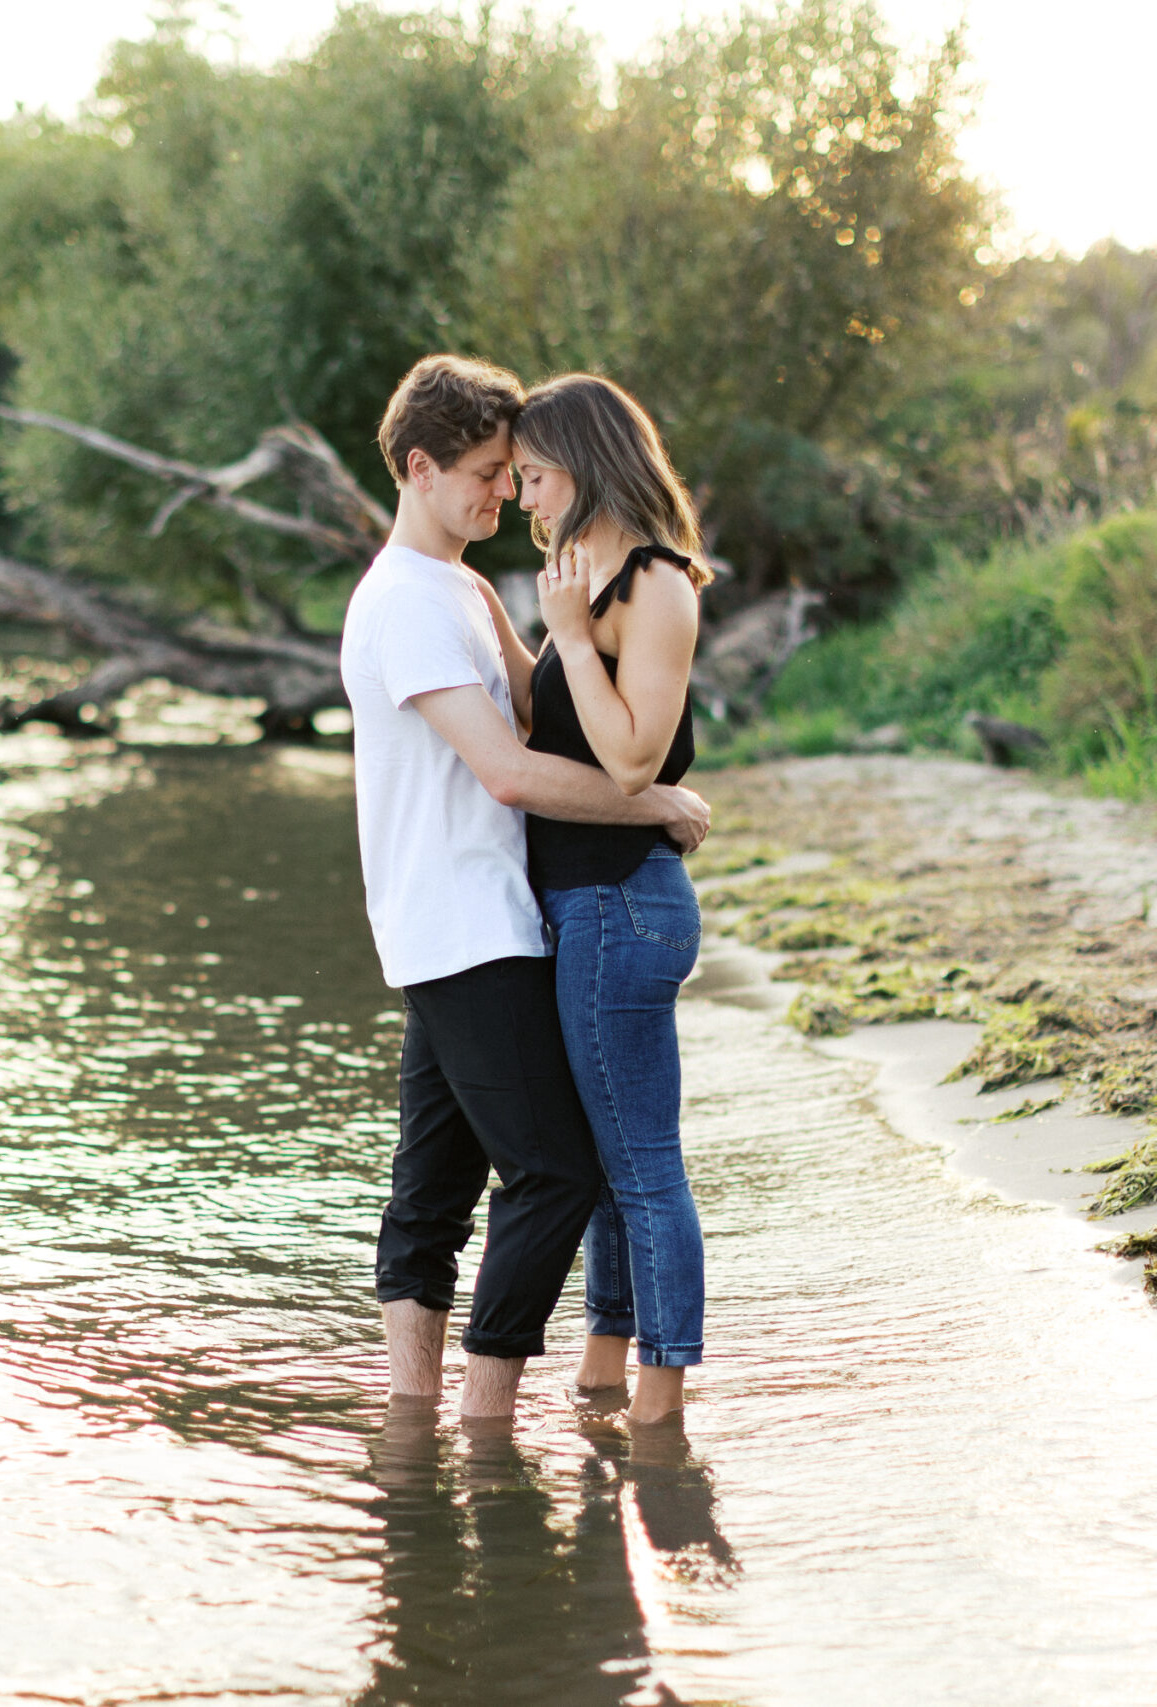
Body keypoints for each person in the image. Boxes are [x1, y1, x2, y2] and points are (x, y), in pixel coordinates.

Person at [342, 354, 712, 1422]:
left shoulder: (460, 587)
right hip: (464, 926)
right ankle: (483, 1419)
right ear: (419, 468)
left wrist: (593, 650)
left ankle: (421, 1422)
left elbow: (547, 716)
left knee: (434, 1192)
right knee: (554, 1174)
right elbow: (508, 769)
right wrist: (655, 804)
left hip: (485, 918)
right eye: (487, 474)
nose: (504, 495)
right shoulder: (405, 603)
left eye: (518, 474)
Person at [490, 373, 713, 1427]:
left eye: (531, 477)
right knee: (601, 1160)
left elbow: (630, 759)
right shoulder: (577, 579)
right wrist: (517, 631)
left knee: (642, 1166)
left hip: (621, 905)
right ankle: (601, 1371)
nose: (525, 499)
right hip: (582, 905)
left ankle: (661, 1409)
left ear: (579, 466)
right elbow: (554, 730)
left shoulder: (656, 585)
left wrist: (570, 635)